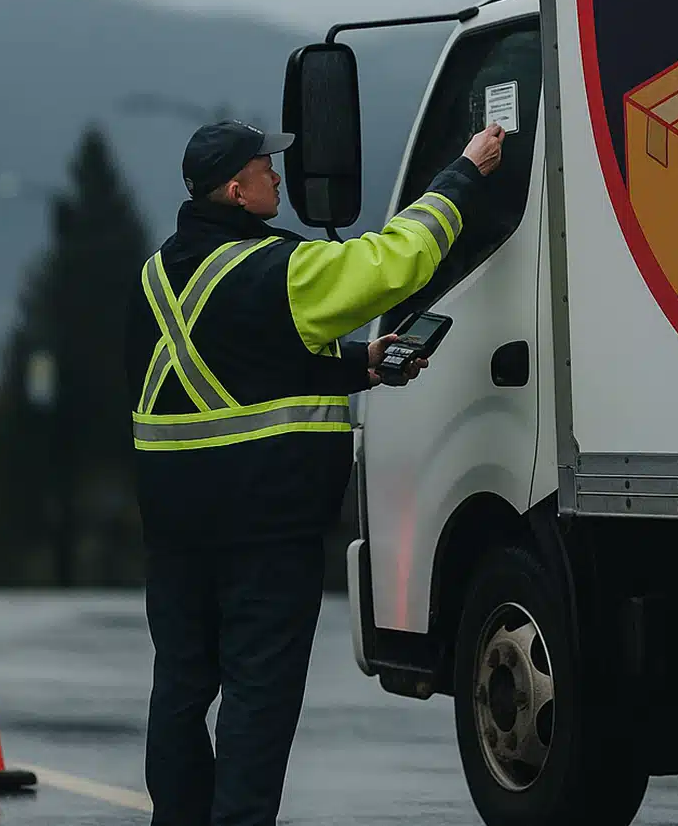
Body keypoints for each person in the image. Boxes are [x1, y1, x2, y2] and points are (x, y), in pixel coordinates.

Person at [124, 118, 506, 826]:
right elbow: (400, 260)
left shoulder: (155, 275)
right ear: (238, 190)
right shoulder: (281, 270)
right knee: (256, 700)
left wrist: (356, 365)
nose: (278, 176)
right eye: (266, 167)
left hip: (175, 529)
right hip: (266, 524)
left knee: (179, 688)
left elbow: (232, 364)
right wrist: (465, 171)